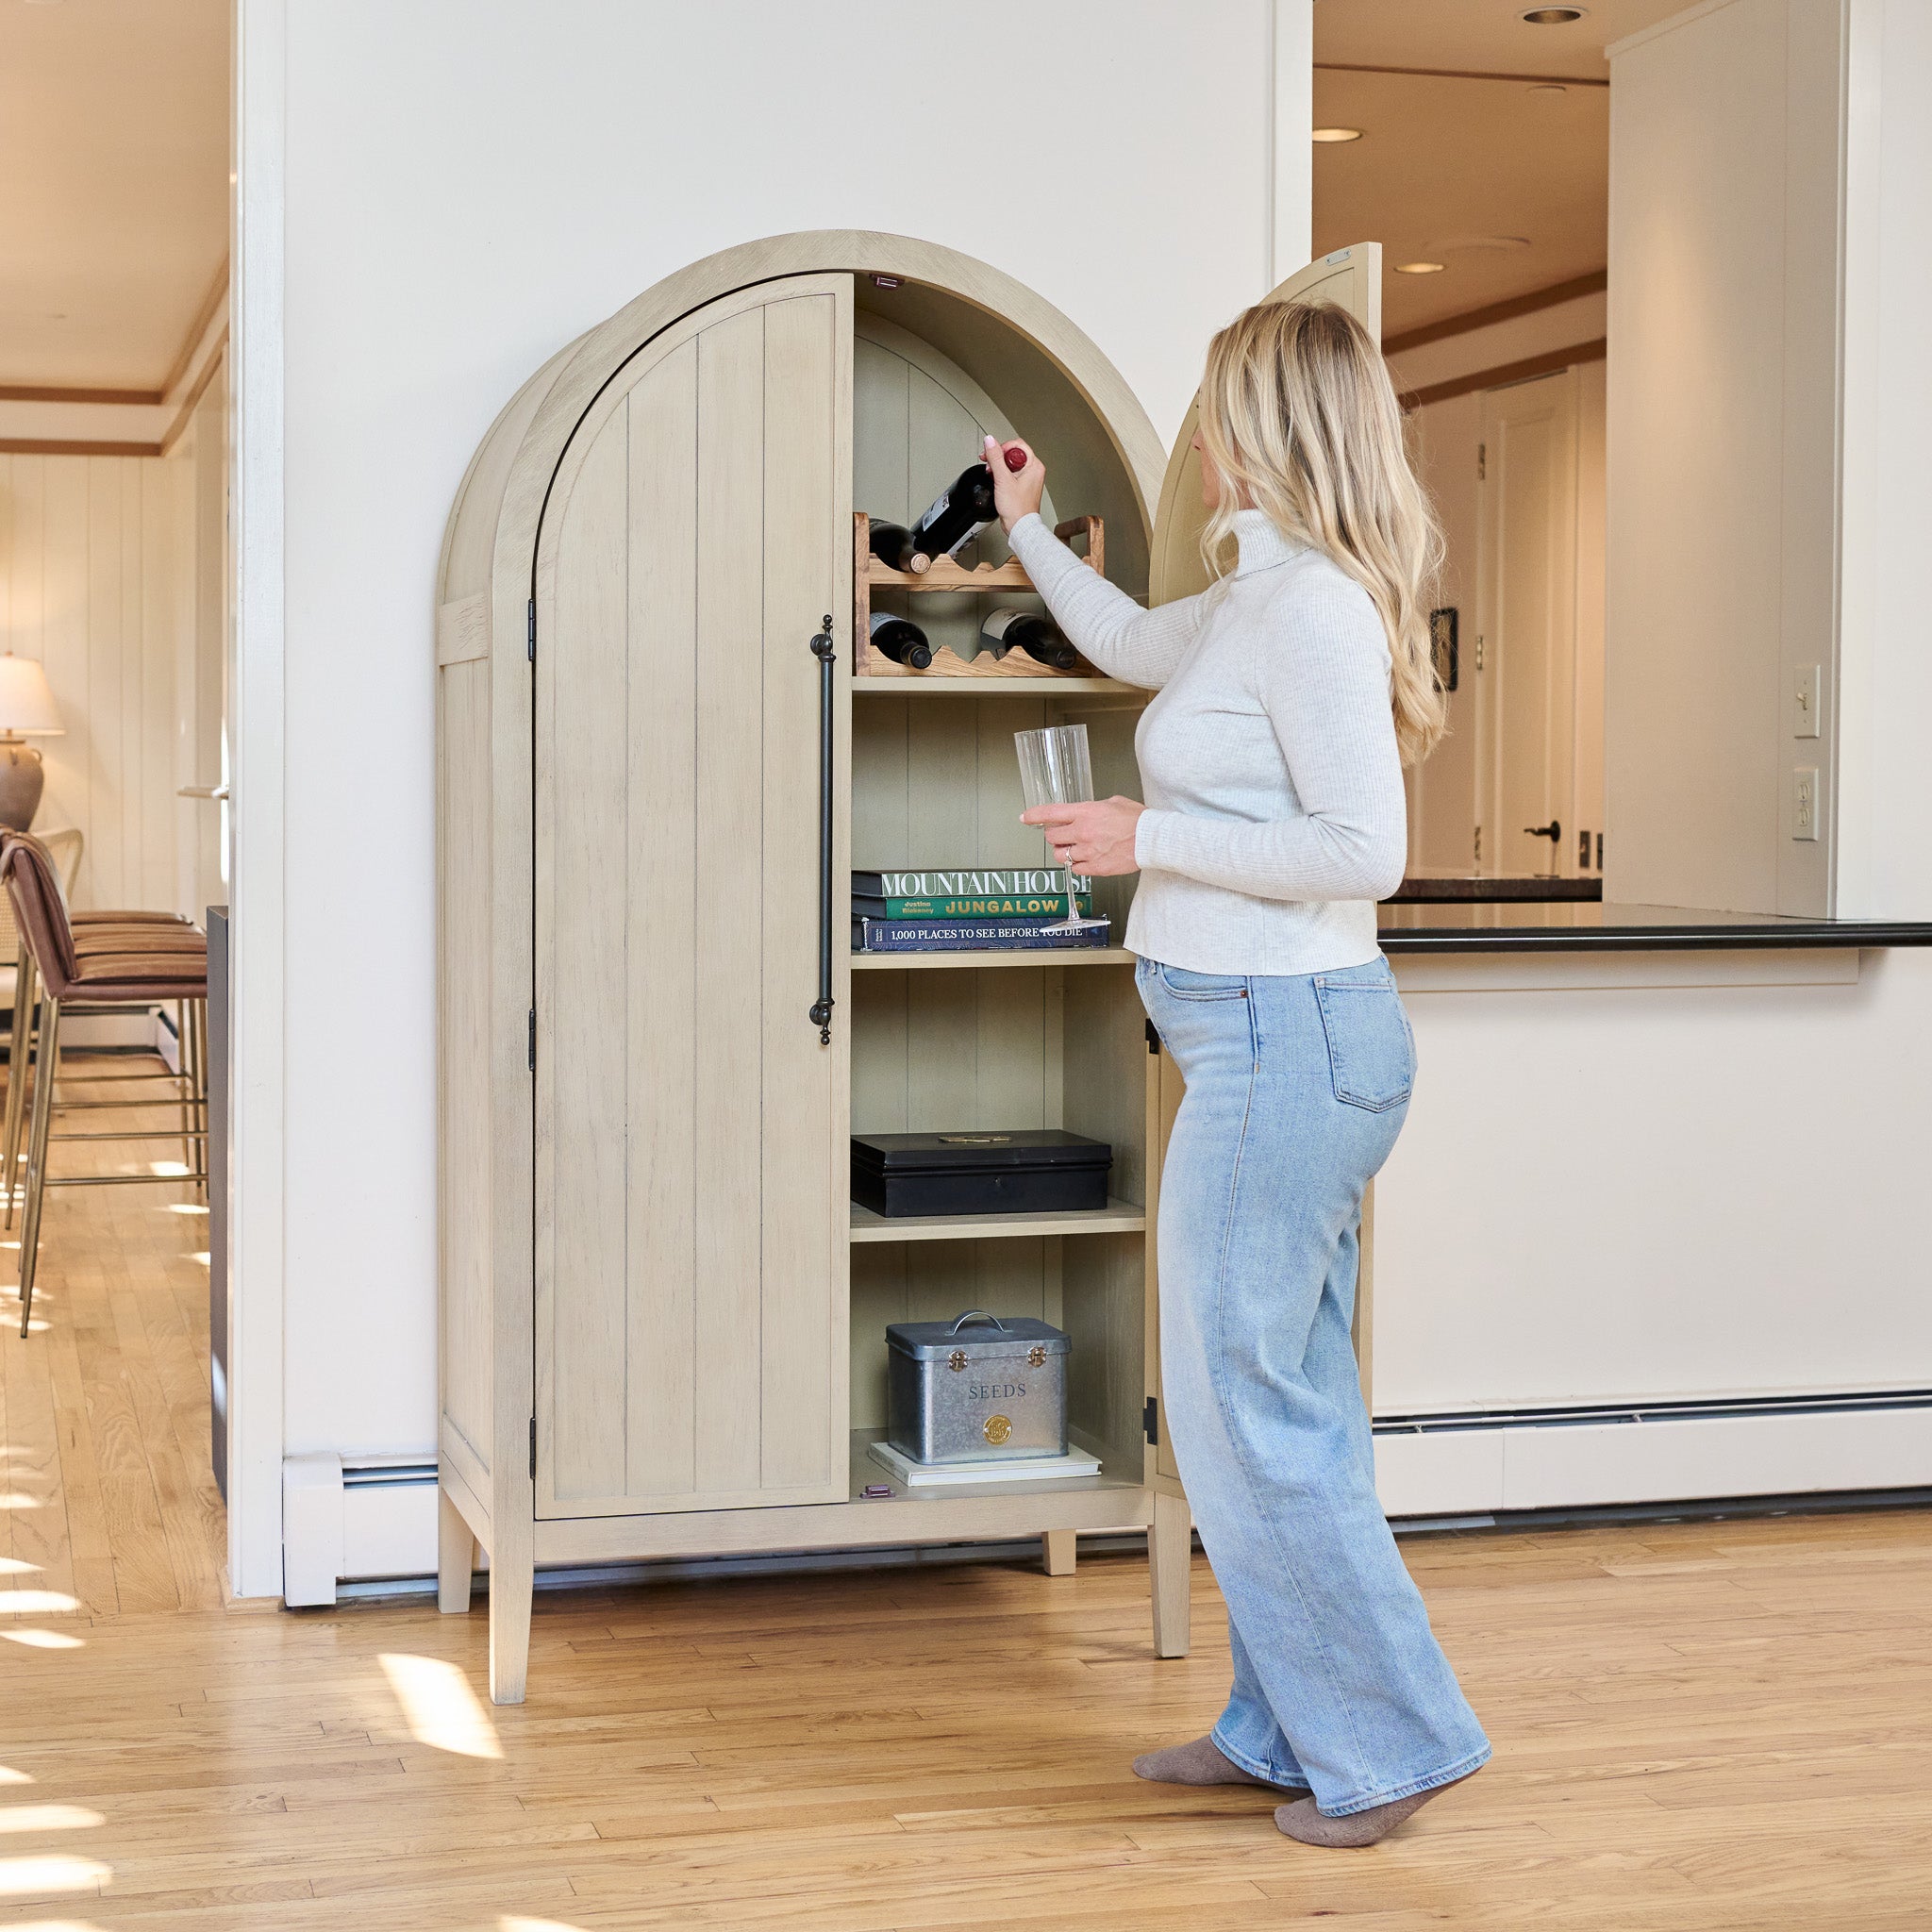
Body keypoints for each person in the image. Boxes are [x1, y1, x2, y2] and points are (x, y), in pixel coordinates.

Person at [983, 298, 1489, 1850]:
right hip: (1260, 1043)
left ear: (1265, 430)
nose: (1199, 437)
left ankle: (1388, 1745)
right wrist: (1021, 532)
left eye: (1216, 411)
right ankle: (1282, 1728)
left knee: (1240, 1411)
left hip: (1288, 1041)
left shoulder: (1321, 611)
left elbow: (1369, 853)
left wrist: (1150, 841)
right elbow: (1131, 641)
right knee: (1280, 1407)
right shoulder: (1253, 596)